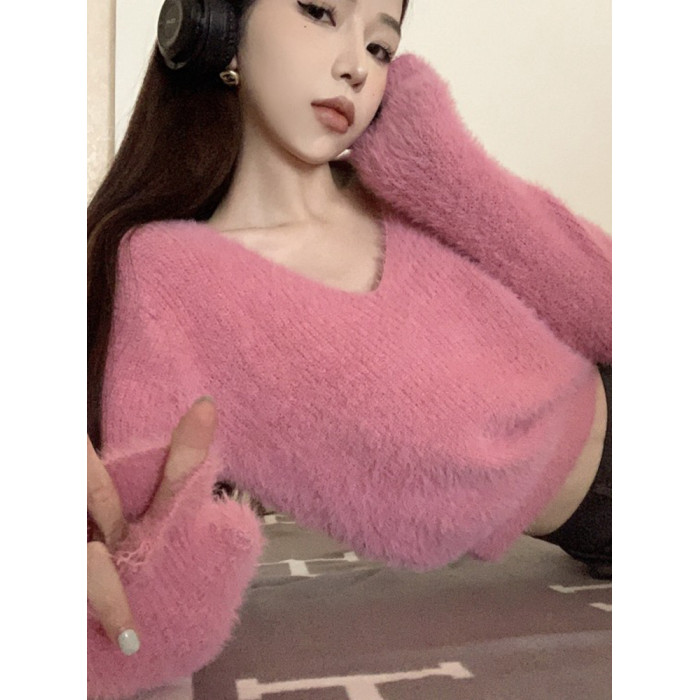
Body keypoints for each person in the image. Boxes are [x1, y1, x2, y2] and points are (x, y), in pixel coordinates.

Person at [87, 0, 611, 697]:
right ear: (216, 26)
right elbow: (144, 577)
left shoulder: (412, 187)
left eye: (381, 47)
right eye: (319, 11)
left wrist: (450, 168)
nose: (356, 66)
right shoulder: (168, 277)